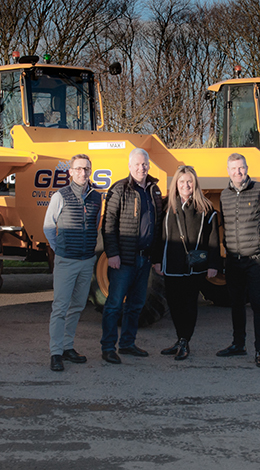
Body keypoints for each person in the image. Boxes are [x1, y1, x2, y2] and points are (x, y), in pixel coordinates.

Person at [217, 152, 260, 368]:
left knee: (258, 304)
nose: (238, 172)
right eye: (234, 168)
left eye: (241, 167)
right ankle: (238, 344)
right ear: (228, 171)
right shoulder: (224, 195)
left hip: (257, 261)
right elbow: (224, 224)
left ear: (247, 168)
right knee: (236, 303)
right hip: (234, 261)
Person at [100, 148, 163, 364]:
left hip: (145, 259)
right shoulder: (119, 189)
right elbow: (108, 223)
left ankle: (127, 343)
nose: (141, 168)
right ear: (129, 166)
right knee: (115, 304)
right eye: (137, 164)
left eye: (144, 164)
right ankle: (108, 347)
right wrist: (113, 254)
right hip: (124, 260)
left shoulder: (154, 190)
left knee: (136, 304)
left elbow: (158, 226)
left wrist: (155, 258)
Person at [152, 165, 221, 361]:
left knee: (190, 304)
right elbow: (159, 236)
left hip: (195, 266)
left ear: (195, 183)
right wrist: (157, 260)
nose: (185, 185)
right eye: (181, 181)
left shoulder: (206, 209)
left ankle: (184, 341)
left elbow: (213, 239)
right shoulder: (166, 206)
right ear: (176, 184)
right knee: (174, 303)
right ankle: (180, 339)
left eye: (189, 181)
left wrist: (213, 265)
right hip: (171, 263)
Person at [43, 154, 102, 372]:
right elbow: (48, 226)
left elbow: (95, 225)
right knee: (60, 307)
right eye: (78, 169)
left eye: (86, 169)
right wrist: (60, 249)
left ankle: (68, 347)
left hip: (87, 261)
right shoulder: (61, 196)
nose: (82, 172)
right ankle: (56, 352)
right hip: (66, 261)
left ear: (90, 171)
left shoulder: (97, 197)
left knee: (77, 306)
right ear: (70, 172)